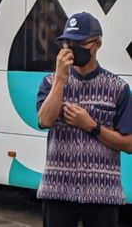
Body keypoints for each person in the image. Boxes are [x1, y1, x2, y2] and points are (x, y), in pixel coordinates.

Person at [36, 12, 132, 227]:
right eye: (68, 43)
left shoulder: (118, 88)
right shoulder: (50, 82)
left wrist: (91, 126)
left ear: (96, 44)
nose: (72, 48)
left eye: (80, 43)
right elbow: (44, 121)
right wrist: (60, 79)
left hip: (102, 194)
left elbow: (129, 144)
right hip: (58, 191)